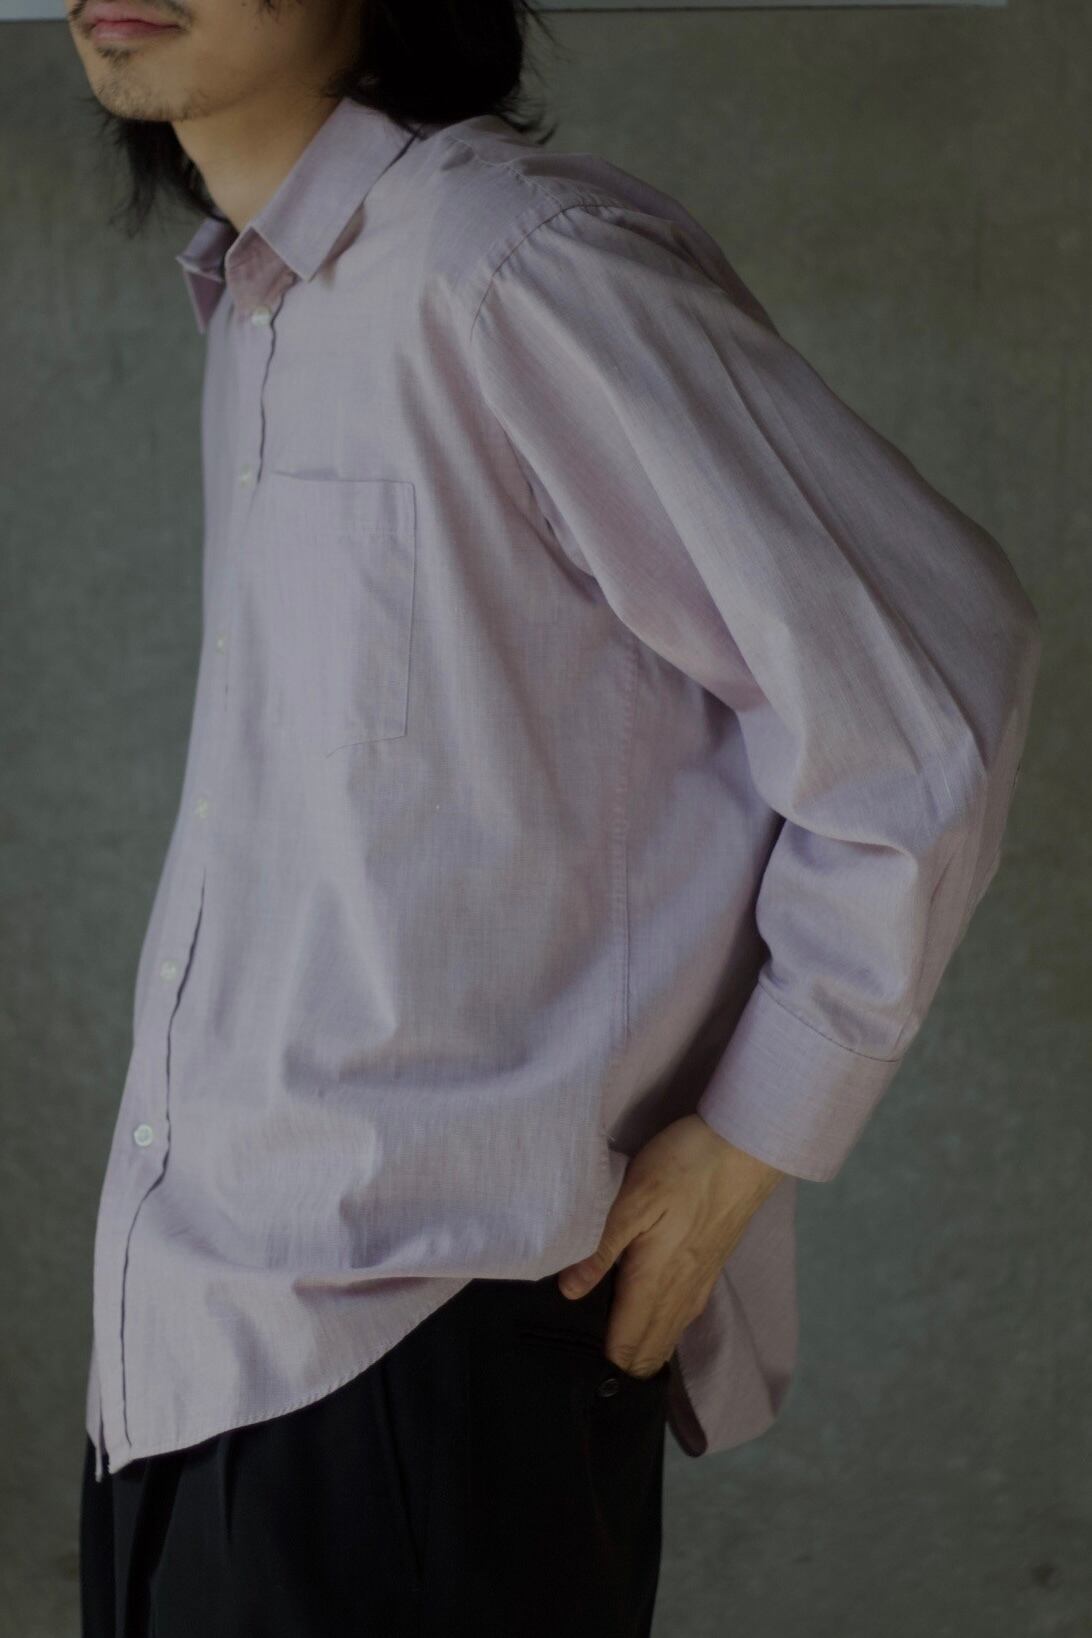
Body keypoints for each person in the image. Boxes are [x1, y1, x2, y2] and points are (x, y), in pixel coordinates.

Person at [66, 0, 1042, 1632]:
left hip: (417, 1369)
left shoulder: (506, 267)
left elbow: (928, 697)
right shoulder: (266, 305)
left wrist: (751, 1136)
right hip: (188, 1359)